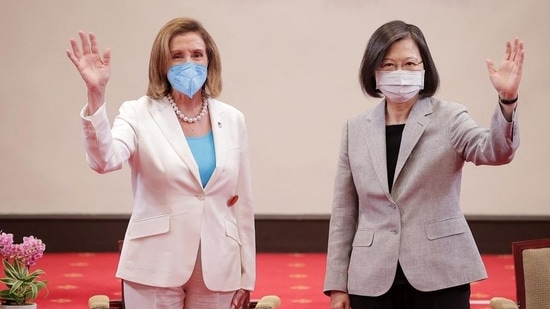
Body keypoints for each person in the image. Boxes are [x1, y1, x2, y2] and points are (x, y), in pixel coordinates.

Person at [323, 20, 523, 309]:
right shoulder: (355, 129)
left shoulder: (450, 117)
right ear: (374, 72)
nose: (399, 73)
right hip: (371, 276)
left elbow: (496, 151)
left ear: (424, 68)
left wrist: (507, 99)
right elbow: (344, 212)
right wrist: (337, 285)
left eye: (409, 63)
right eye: (389, 65)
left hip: (440, 271)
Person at [66, 17, 255, 309]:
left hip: (219, 264)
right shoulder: (138, 112)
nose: (188, 62)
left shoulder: (232, 119)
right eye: (177, 56)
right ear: (162, 64)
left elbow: (242, 202)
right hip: (154, 262)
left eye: (196, 54)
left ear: (209, 60)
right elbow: (105, 159)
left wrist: (247, 274)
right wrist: (96, 93)